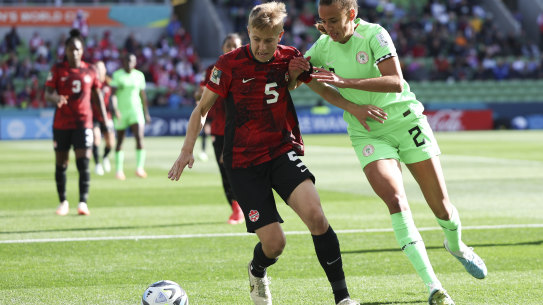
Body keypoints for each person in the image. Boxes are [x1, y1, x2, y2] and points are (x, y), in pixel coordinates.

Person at [168, 2, 368, 304]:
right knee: (275, 244)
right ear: (249, 32)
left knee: (317, 217)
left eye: (269, 40)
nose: (262, 46)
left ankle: (343, 297)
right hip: (243, 163)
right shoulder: (228, 64)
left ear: (280, 35)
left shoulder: (291, 58)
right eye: (257, 39)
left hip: (280, 151)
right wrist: (187, 150)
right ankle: (257, 270)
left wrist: (354, 107)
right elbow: (202, 109)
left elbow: (321, 91)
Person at [289, 1, 487, 304]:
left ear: (351, 14)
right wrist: (301, 74)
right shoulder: (322, 46)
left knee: (442, 208)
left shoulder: (375, 35)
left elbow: (396, 82)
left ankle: (456, 245)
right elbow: (305, 82)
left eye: (333, 21)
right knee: (395, 200)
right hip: (368, 131)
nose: (327, 28)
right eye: (323, 21)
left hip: (406, 122)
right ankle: (434, 286)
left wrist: (346, 82)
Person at [44, 29, 111, 216]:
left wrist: (105, 122)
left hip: (84, 123)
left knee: (83, 163)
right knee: (62, 164)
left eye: (77, 49)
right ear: (65, 50)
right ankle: (63, 202)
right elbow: (47, 93)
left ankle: (83, 203)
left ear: (82, 51)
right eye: (71, 49)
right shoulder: (57, 69)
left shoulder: (90, 70)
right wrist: (55, 98)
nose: (74, 52)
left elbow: (98, 96)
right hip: (61, 124)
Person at [194, 33, 244, 224]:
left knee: (245, 169)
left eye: (235, 45)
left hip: (244, 129)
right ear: (222, 48)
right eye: (228, 45)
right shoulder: (213, 70)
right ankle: (236, 208)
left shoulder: (248, 69)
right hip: (220, 129)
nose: (232, 49)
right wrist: (199, 93)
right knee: (226, 171)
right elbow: (200, 95)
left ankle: (250, 207)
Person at [111, 53, 151, 180]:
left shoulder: (139, 76)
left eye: (131, 61)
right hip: (121, 112)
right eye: (127, 61)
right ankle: (119, 170)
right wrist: (115, 109)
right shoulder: (117, 75)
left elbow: (142, 95)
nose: (129, 64)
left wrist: (146, 112)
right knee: (120, 141)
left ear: (135, 63)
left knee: (139, 138)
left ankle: (139, 168)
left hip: (136, 111)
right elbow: (112, 95)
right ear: (123, 61)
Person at [91, 61, 118, 176]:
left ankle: (105, 157)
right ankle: (97, 164)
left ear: (105, 70)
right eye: (96, 68)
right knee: (96, 138)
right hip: (94, 117)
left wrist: (116, 110)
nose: (98, 70)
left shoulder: (109, 83)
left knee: (110, 143)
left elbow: (113, 97)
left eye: (100, 68)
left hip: (107, 116)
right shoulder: (91, 83)